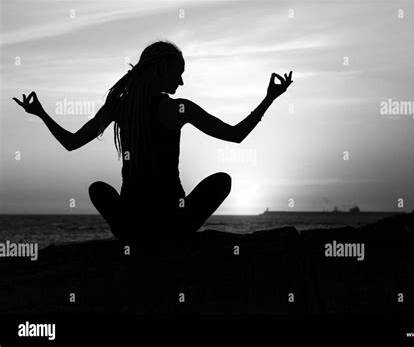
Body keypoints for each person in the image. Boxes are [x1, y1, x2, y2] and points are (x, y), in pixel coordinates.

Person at [13, 40, 293, 243]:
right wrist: (269, 98)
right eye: (178, 72)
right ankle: (169, 238)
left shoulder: (120, 107)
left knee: (98, 189)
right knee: (222, 181)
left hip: (133, 224)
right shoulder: (178, 108)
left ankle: (136, 238)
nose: (181, 82)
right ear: (161, 70)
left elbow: (71, 142)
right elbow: (236, 135)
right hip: (174, 221)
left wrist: (41, 114)